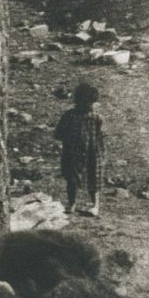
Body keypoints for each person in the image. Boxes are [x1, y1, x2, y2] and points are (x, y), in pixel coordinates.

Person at [55, 82, 106, 217]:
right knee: (72, 178)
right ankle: (72, 204)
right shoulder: (70, 116)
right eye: (88, 103)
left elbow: (101, 133)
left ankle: (95, 205)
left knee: (94, 176)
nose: (90, 106)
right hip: (74, 151)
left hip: (93, 151)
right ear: (79, 102)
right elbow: (59, 133)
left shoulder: (96, 117)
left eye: (92, 103)